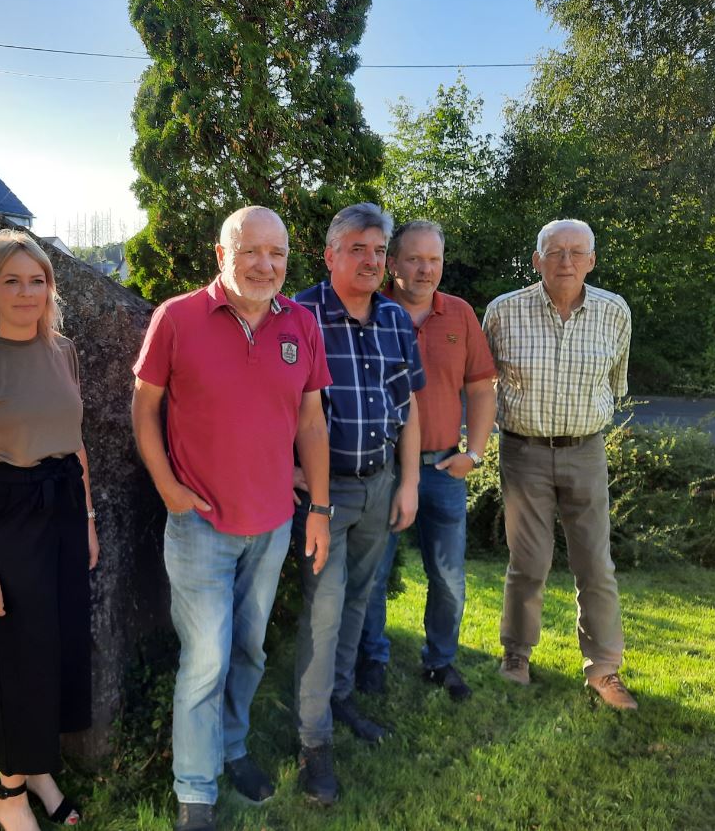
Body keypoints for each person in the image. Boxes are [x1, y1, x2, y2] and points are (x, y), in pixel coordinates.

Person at [132, 206, 333, 831]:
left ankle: (233, 746)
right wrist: (166, 486)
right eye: (250, 251)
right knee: (206, 659)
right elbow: (145, 409)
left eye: (276, 254)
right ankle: (195, 793)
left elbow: (310, 423)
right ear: (222, 253)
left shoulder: (301, 324)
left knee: (248, 649)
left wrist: (319, 509)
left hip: (272, 524)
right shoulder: (177, 318)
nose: (265, 265)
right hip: (199, 526)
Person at [0, 230, 99, 831]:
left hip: (61, 507)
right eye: (12, 280)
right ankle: (8, 793)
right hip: (7, 515)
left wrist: (86, 520)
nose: (27, 292)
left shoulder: (64, 351)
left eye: (37, 280)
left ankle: (38, 770)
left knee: (58, 645)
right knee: (20, 653)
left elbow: (76, 444)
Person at [289, 203, 423, 804]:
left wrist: (409, 482)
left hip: (380, 485)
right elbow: (271, 400)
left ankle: (339, 699)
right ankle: (313, 743)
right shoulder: (298, 314)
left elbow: (409, 408)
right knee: (323, 610)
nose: (371, 260)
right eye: (358, 249)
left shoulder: (395, 318)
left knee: (357, 603)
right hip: (325, 492)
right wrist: (288, 467)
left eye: (378, 250)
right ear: (331, 254)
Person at [482, 218, 637, 710]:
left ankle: (604, 670)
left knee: (595, 562)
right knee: (527, 563)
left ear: (592, 261)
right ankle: (516, 655)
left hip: (586, 450)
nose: (565, 262)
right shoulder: (503, 313)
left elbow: (616, 383)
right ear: (536, 261)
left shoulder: (615, 312)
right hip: (523, 452)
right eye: (554, 252)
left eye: (576, 253)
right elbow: (484, 384)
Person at [356, 220, 496, 702]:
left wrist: (473, 454)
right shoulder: (369, 312)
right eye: (414, 259)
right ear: (392, 264)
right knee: (374, 574)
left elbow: (480, 387)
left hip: (442, 470)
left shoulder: (458, 314)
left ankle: (440, 662)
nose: (425, 269)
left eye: (434, 260)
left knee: (450, 577)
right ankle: (371, 659)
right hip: (382, 470)